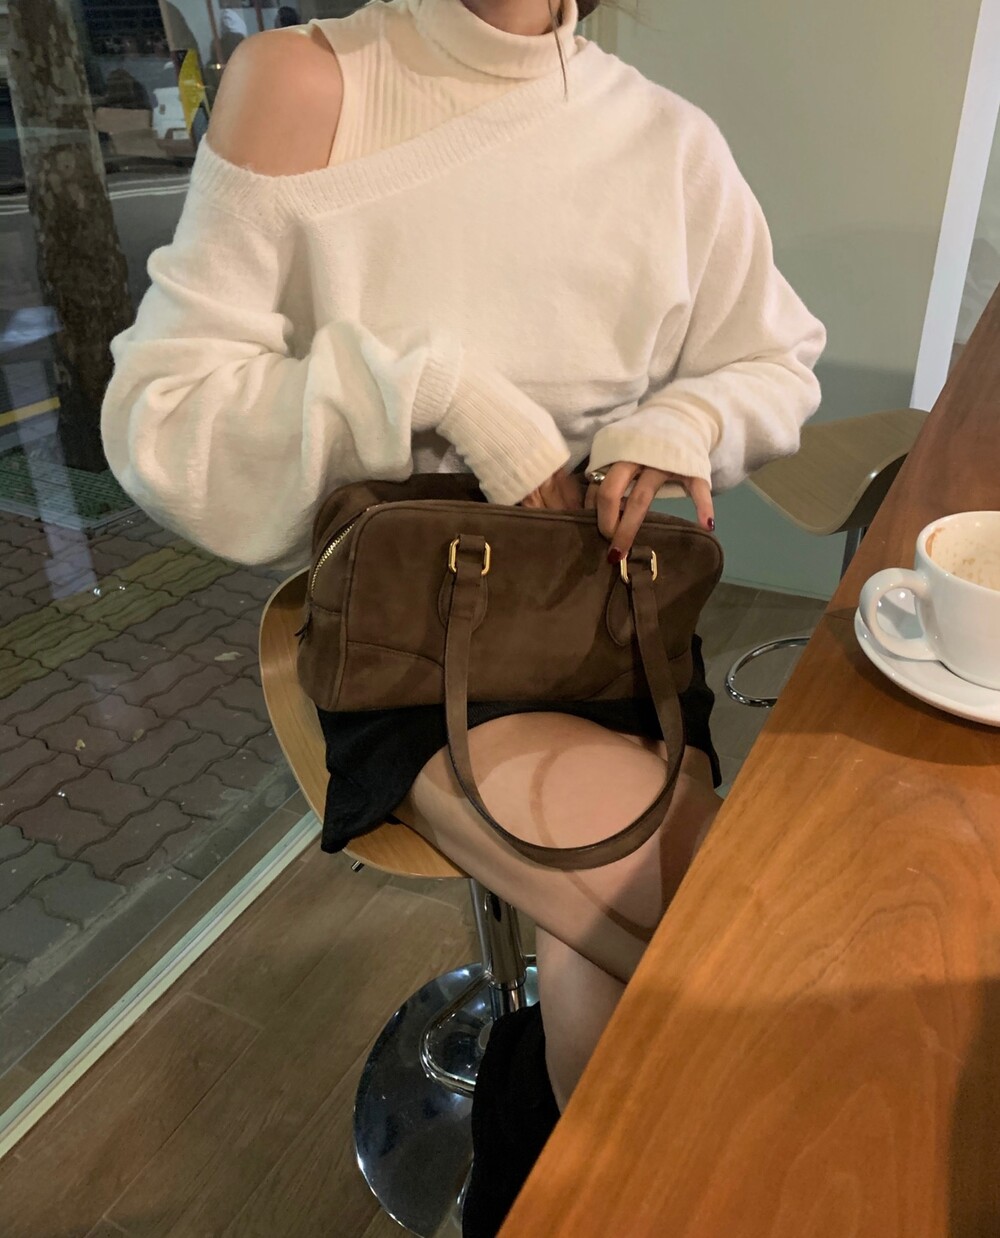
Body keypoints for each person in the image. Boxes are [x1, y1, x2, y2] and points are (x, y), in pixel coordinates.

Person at [101, 0, 825, 1230]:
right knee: (704, 928)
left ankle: (537, 1170)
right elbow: (162, 420)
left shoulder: (665, 139)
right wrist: (430, 389)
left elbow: (773, 359)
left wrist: (686, 419)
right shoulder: (304, 85)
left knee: (645, 952)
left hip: (611, 626)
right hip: (411, 636)